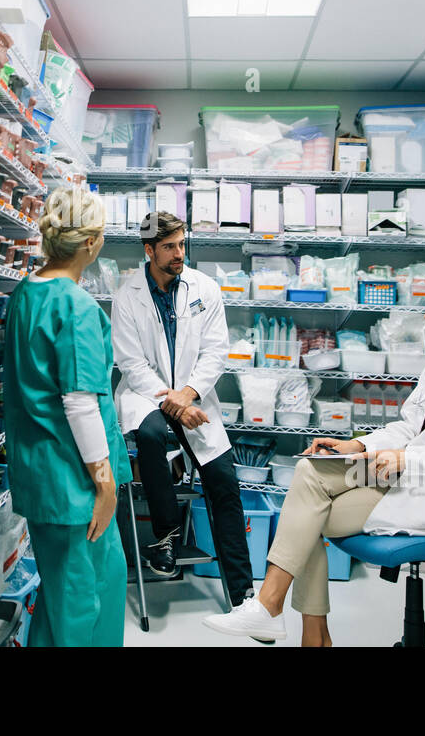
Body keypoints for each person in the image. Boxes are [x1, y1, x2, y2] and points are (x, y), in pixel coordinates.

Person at [204, 275, 425, 645]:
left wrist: (409, 461)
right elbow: (409, 429)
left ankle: (290, 620)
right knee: (309, 471)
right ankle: (282, 615)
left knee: (307, 511)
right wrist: (355, 447)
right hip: (401, 474)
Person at [3, 185, 132, 647]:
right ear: (92, 243)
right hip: (74, 481)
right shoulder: (74, 305)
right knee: (83, 600)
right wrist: (104, 483)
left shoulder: (26, 294)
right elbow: (79, 403)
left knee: (66, 593)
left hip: (44, 473)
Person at [111, 211, 255, 610]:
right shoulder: (127, 296)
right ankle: (164, 539)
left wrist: (187, 394)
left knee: (224, 480)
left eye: (182, 244)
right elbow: (130, 362)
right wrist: (168, 399)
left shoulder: (204, 288)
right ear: (149, 250)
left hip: (195, 397)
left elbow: (216, 350)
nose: (179, 253)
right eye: (170, 247)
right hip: (146, 394)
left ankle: (242, 592)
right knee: (153, 435)